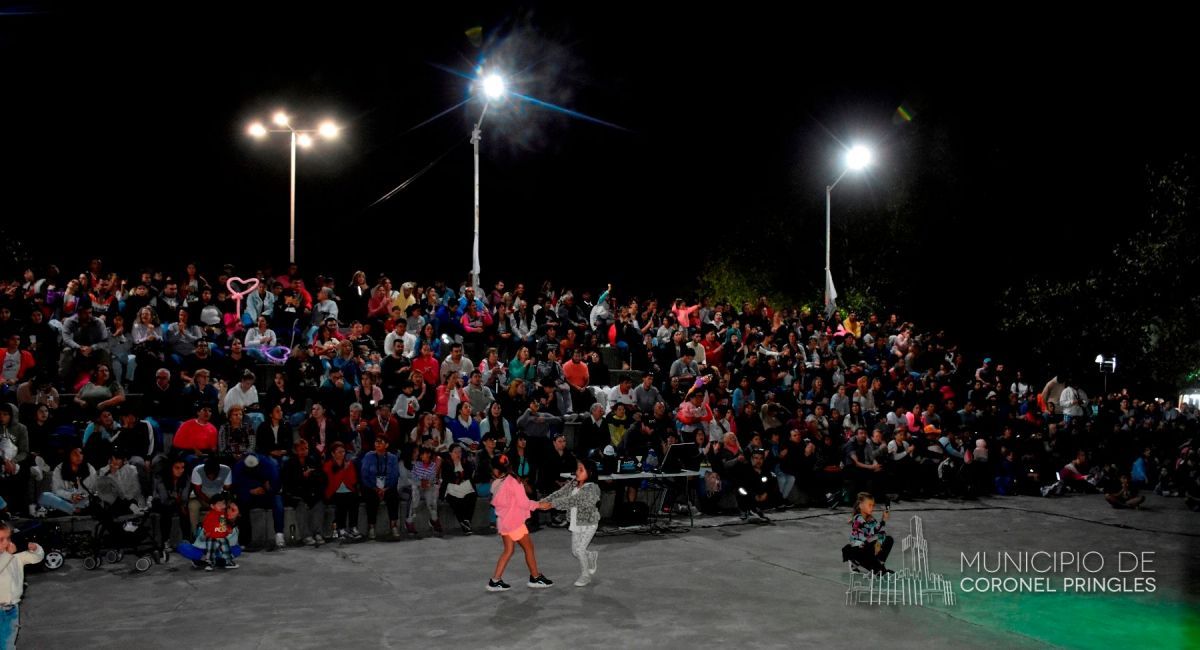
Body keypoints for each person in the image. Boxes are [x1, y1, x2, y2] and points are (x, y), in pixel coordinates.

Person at [487, 453, 554, 592]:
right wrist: (539, 505)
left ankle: (495, 581)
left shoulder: (495, 484)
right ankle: (535, 577)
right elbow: (523, 503)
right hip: (514, 523)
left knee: (508, 551)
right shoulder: (513, 481)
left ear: (495, 470)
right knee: (529, 548)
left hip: (503, 522)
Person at [541, 459, 601, 587]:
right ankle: (590, 555)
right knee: (575, 551)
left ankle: (585, 575)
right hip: (576, 522)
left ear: (590, 472)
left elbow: (573, 500)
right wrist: (543, 501)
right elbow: (560, 493)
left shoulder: (592, 489)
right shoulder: (575, 483)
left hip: (589, 523)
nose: (577, 472)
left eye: (581, 469)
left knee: (579, 550)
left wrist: (551, 504)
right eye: (577, 469)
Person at [0, 520, 45, 647]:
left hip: (12, 608)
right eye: (0, 540)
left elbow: (36, 558)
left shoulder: (16, 556)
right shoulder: (8, 555)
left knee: (8, 643)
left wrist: (36, 549)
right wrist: (8, 554)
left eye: (8, 538)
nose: (6, 543)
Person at [282, 439, 327, 546]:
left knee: (319, 503)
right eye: (301, 449)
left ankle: (318, 533)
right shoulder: (289, 463)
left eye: (306, 448)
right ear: (295, 450)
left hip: (310, 492)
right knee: (301, 505)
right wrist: (303, 476)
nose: (305, 451)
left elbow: (321, 478)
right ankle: (306, 535)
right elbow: (288, 483)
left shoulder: (312, 460)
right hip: (294, 494)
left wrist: (312, 476)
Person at [359, 436, 402, 540]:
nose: (377, 444)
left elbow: (395, 475)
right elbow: (364, 474)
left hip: (387, 486)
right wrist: (375, 488)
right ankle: (371, 527)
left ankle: (394, 526)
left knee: (393, 497)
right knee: (371, 498)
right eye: (376, 442)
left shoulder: (392, 457)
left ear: (386, 445)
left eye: (380, 442)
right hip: (371, 486)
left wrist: (385, 488)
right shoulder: (369, 456)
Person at [840, 492, 892, 575]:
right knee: (878, 571)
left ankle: (880, 564)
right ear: (861, 505)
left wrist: (879, 543)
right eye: (869, 505)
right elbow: (869, 531)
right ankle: (854, 561)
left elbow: (878, 532)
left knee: (888, 539)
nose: (872, 507)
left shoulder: (872, 520)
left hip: (866, 547)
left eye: (873, 505)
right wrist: (883, 521)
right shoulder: (858, 518)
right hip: (858, 550)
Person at [323, 442, 364, 541]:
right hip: (333, 492)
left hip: (348, 490)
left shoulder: (349, 464)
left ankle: (353, 527)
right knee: (341, 501)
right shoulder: (328, 465)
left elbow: (353, 480)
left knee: (354, 499)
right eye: (339, 452)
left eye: (343, 451)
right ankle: (341, 528)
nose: (342, 454)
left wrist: (345, 470)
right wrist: (343, 471)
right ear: (333, 453)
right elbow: (332, 483)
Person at [440, 444, 477, 535]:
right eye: (455, 452)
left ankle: (466, 521)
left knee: (472, 497)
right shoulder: (446, 463)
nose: (458, 454)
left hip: (466, 487)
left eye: (459, 451)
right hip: (452, 488)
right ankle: (465, 524)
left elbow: (468, 474)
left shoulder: (465, 462)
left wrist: (459, 476)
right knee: (455, 501)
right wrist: (460, 476)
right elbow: (447, 477)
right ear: (450, 453)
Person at [407, 445, 441, 536]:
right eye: (421, 455)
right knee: (415, 498)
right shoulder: (417, 465)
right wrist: (421, 482)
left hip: (428, 487)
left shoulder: (433, 465)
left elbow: (433, 479)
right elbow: (413, 478)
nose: (422, 456)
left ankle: (434, 520)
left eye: (424, 454)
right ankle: (409, 521)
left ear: (429, 454)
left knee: (431, 501)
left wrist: (427, 483)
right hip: (417, 487)